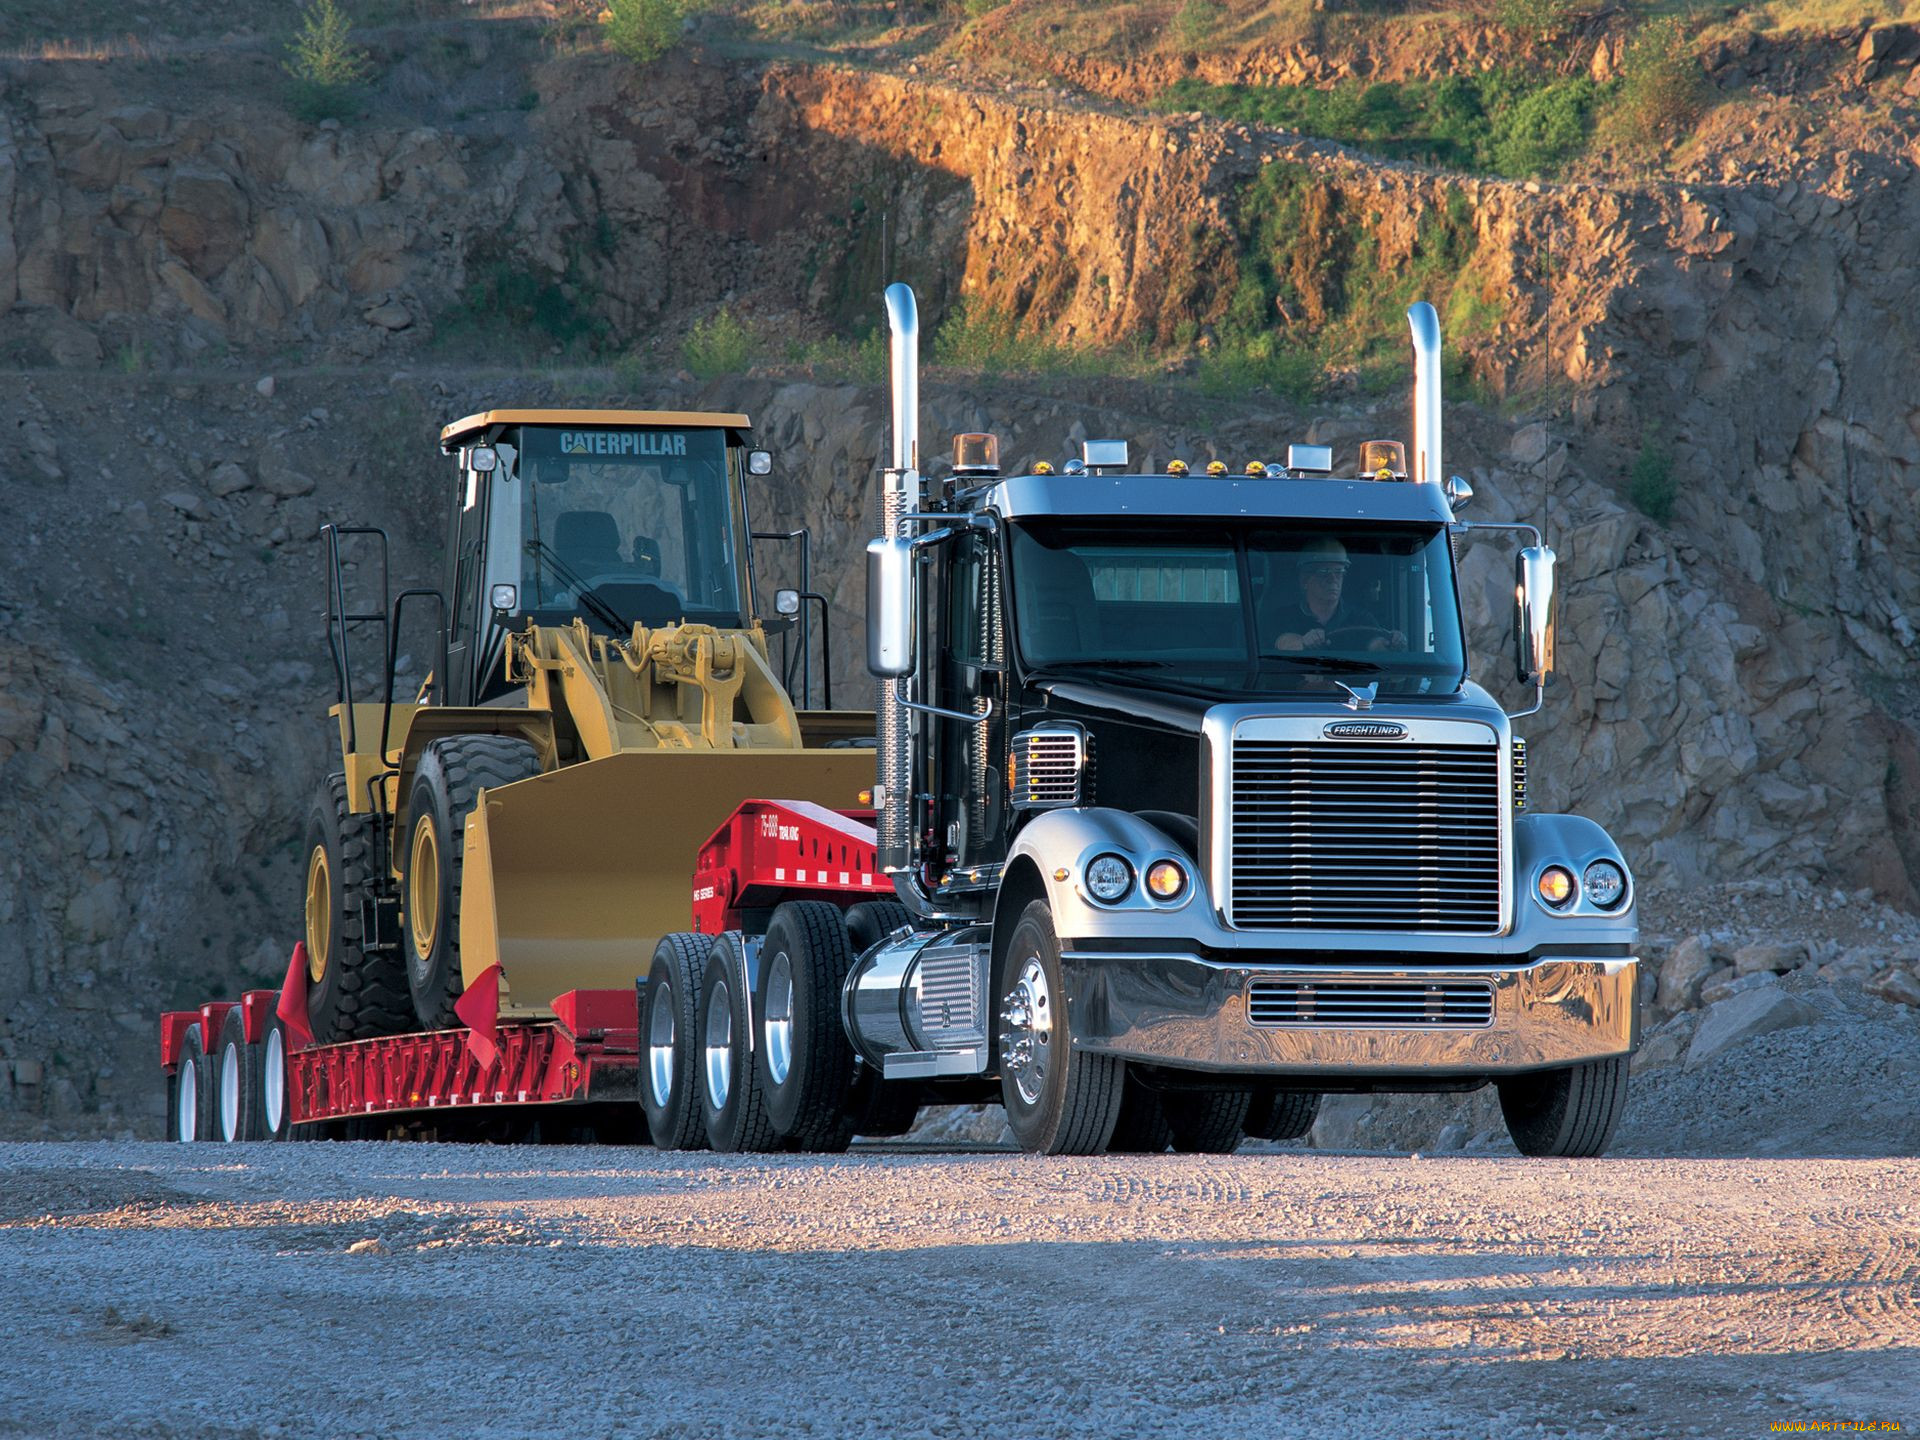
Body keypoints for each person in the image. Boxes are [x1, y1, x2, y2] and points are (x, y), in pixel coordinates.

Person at [1271, 537, 1404, 652]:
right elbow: (1282, 643)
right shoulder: (1284, 616)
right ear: (1305, 580)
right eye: (1324, 572)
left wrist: (1391, 644)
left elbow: (1375, 644)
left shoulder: (1360, 618)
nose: (1333, 578)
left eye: (1339, 572)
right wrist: (1303, 642)